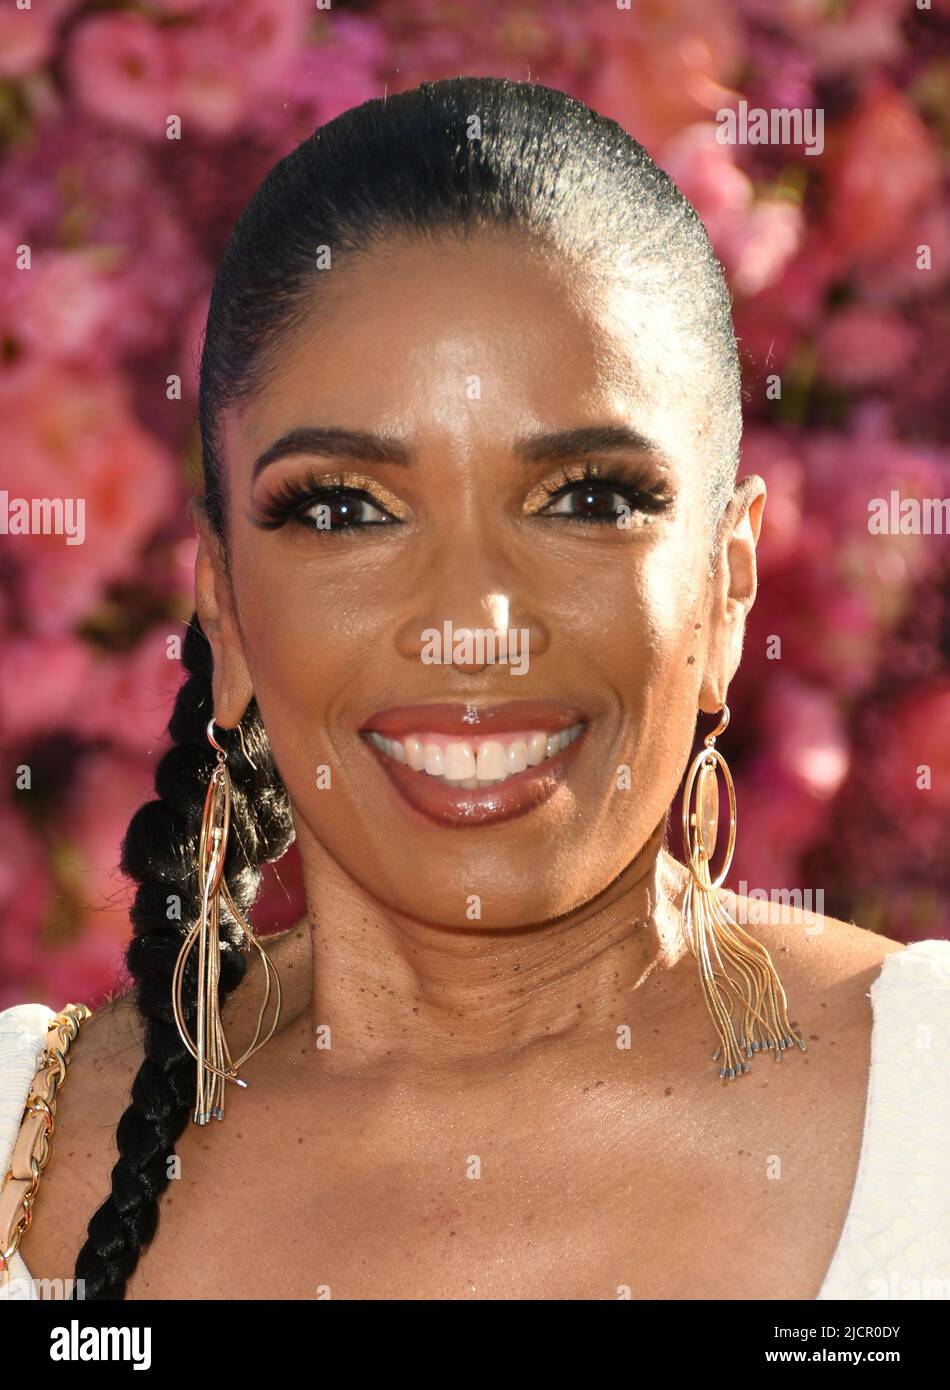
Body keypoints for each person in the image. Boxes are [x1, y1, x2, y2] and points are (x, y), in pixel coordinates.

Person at [1, 76, 948, 1303]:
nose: (470, 626)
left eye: (586, 499)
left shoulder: (924, 1102)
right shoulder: (23, 1141)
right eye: (345, 509)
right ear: (223, 610)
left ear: (726, 584)